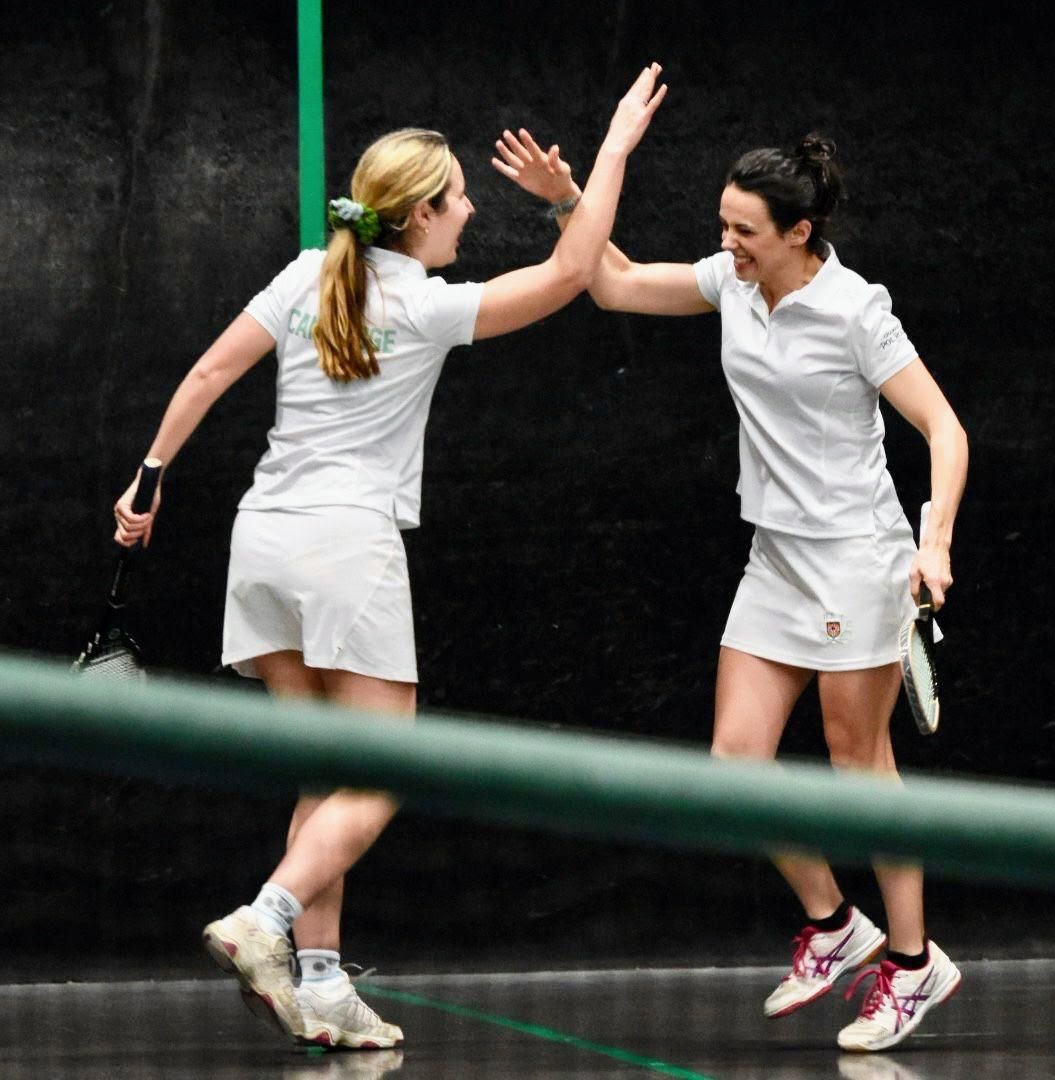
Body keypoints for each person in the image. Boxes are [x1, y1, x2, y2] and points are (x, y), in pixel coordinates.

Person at [112, 63, 668, 1050]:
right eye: (458, 199)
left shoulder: (305, 274)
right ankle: (265, 920)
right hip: (344, 549)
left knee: (327, 774)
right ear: (418, 216)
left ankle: (323, 986)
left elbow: (206, 372)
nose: (469, 213)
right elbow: (575, 273)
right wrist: (609, 154)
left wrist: (149, 478)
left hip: (262, 542)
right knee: (384, 768)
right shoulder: (425, 307)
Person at [493, 128, 968, 1053]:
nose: (727, 242)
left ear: (799, 232)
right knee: (734, 761)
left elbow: (944, 430)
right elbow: (614, 282)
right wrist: (567, 201)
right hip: (776, 558)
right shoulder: (732, 284)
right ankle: (837, 926)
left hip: (856, 558)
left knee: (860, 768)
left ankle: (914, 966)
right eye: (723, 224)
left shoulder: (857, 311)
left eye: (745, 230)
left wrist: (935, 539)